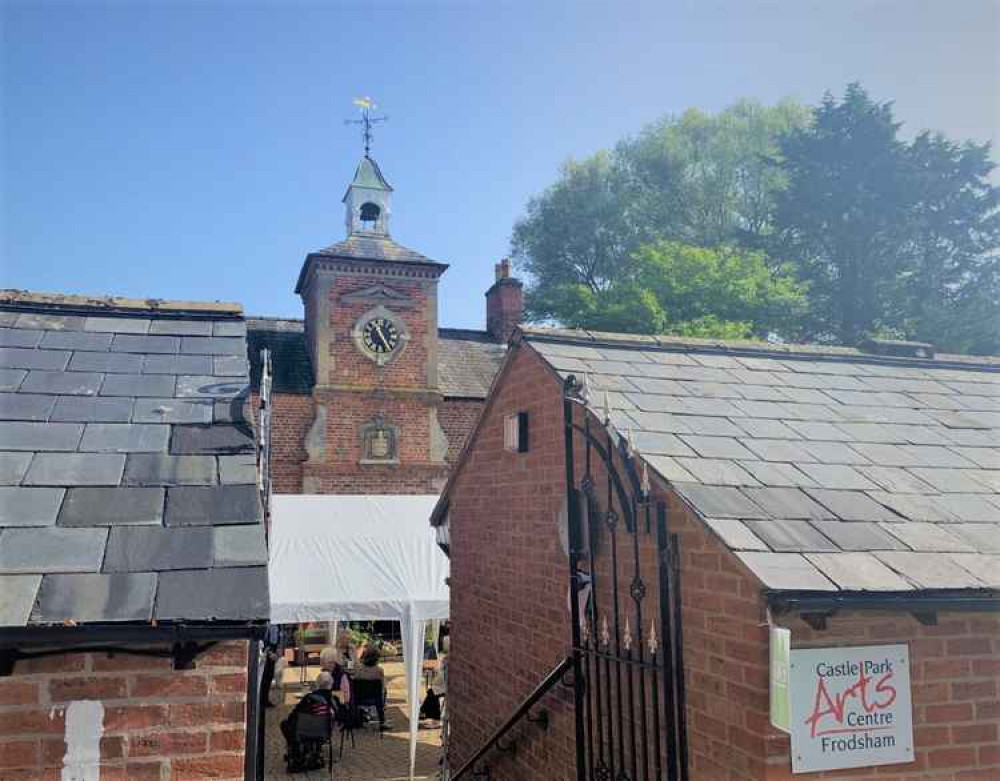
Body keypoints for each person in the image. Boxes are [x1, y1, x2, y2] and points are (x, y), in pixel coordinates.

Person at [280, 671, 336, 773]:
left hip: (303, 731)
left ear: (317, 683)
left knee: (285, 724)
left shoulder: (308, 698)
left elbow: (294, 715)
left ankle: (296, 752)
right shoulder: (332, 700)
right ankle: (314, 753)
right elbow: (337, 716)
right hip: (324, 732)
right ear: (331, 684)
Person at [352, 645, 389, 729]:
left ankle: (359, 715)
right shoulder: (379, 670)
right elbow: (382, 686)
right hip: (375, 699)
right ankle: (382, 719)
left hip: (359, 698)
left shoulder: (358, 669)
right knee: (384, 689)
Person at [260, 624, 281, 708]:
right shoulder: (267, 625)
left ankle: (265, 699)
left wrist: (278, 651)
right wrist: (270, 653)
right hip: (266, 653)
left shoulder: (278, 626)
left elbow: (279, 638)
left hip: (274, 651)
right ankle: (261, 700)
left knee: (269, 677)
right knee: (264, 678)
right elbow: (264, 641)